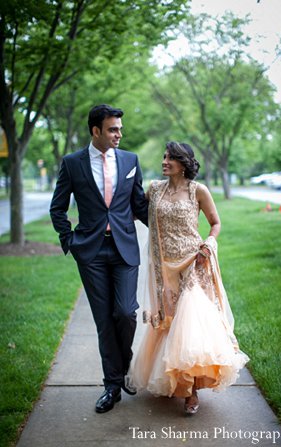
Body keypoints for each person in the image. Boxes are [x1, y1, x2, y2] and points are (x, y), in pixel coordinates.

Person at [126, 141, 249, 414]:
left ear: (184, 163)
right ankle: (175, 381)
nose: (165, 161)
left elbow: (215, 223)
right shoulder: (154, 190)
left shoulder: (198, 191)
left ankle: (192, 393)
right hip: (163, 266)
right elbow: (134, 210)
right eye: (164, 156)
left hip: (193, 263)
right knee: (169, 322)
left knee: (189, 325)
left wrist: (209, 244)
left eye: (171, 158)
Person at [50, 104, 148, 413]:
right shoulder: (72, 163)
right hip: (90, 251)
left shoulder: (131, 160)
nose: (119, 133)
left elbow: (139, 205)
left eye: (120, 128)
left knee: (125, 312)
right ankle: (112, 386)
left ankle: (126, 364)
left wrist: (169, 232)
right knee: (104, 321)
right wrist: (70, 241)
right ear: (96, 131)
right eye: (113, 129)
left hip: (124, 249)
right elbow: (58, 207)